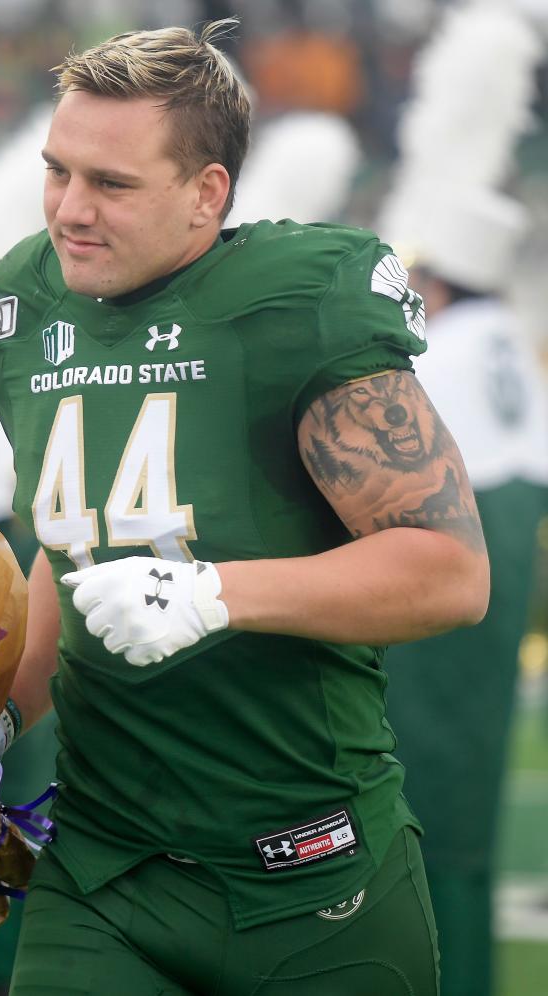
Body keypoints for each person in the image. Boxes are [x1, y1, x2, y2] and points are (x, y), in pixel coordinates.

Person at [0, 20, 492, 995]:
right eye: (59, 172)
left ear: (206, 193)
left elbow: (448, 570)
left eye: (112, 185)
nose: (69, 212)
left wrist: (215, 592)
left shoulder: (300, 301)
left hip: (313, 880)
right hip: (105, 876)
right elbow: (72, 544)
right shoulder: (29, 305)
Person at [385, 190, 548, 996]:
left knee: (422, 791)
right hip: (509, 565)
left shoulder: (436, 352)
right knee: (468, 792)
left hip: (448, 564)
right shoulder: (513, 348)